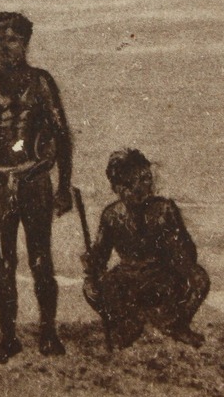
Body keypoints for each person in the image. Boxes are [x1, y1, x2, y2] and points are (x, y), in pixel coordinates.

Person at [0, 11, 74, 363]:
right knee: (3, 262)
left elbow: (61, 135)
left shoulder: (41, 82)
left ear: (25, 42)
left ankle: (48, 331)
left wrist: (63, 188)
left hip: (34, 179)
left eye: (11, 39)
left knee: (41, 259)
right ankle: (9, 336)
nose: (4, 47)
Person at [84, 149, 210, 351]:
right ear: (120, 187)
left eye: (147, 178)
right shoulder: (111, 215)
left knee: (199, 278)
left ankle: (176, 325)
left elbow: (186, 254)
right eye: (139, 181)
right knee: (90, 288)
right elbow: (100, 256)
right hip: (126, 279)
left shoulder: (164, 209)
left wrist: (176, 252)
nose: (147, 185)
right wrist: (92, 262)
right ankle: (127, 323)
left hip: (161, 277)